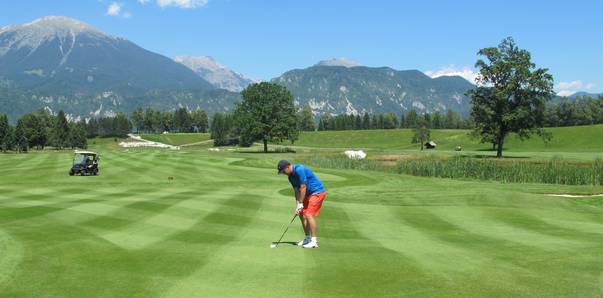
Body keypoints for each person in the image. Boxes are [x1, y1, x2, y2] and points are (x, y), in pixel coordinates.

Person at [277, 160, 326, 248]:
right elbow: (297, 191)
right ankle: (307, 238)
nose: (284, 173)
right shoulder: (290, 177)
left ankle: (314, 241)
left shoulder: (300, 169)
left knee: (308, 214)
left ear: (288, 167)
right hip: (308, 194)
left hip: (317, 192)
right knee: (301, 213)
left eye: (283, 171)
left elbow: (303, 187)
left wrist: (301, 203)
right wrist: (297, 206)